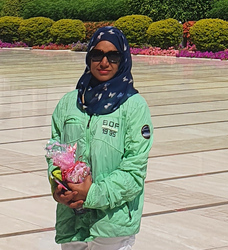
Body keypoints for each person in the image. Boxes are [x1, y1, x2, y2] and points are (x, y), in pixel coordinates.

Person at [48, 26, 153, 250]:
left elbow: (134, 171)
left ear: (123, 58)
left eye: (113, 56)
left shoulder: (133, 106)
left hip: (111, 226)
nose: (104, 62)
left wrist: (91, 194)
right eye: (97, 54)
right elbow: (55, 153)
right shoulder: (69, 103)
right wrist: (58, 188)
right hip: (72, 220)